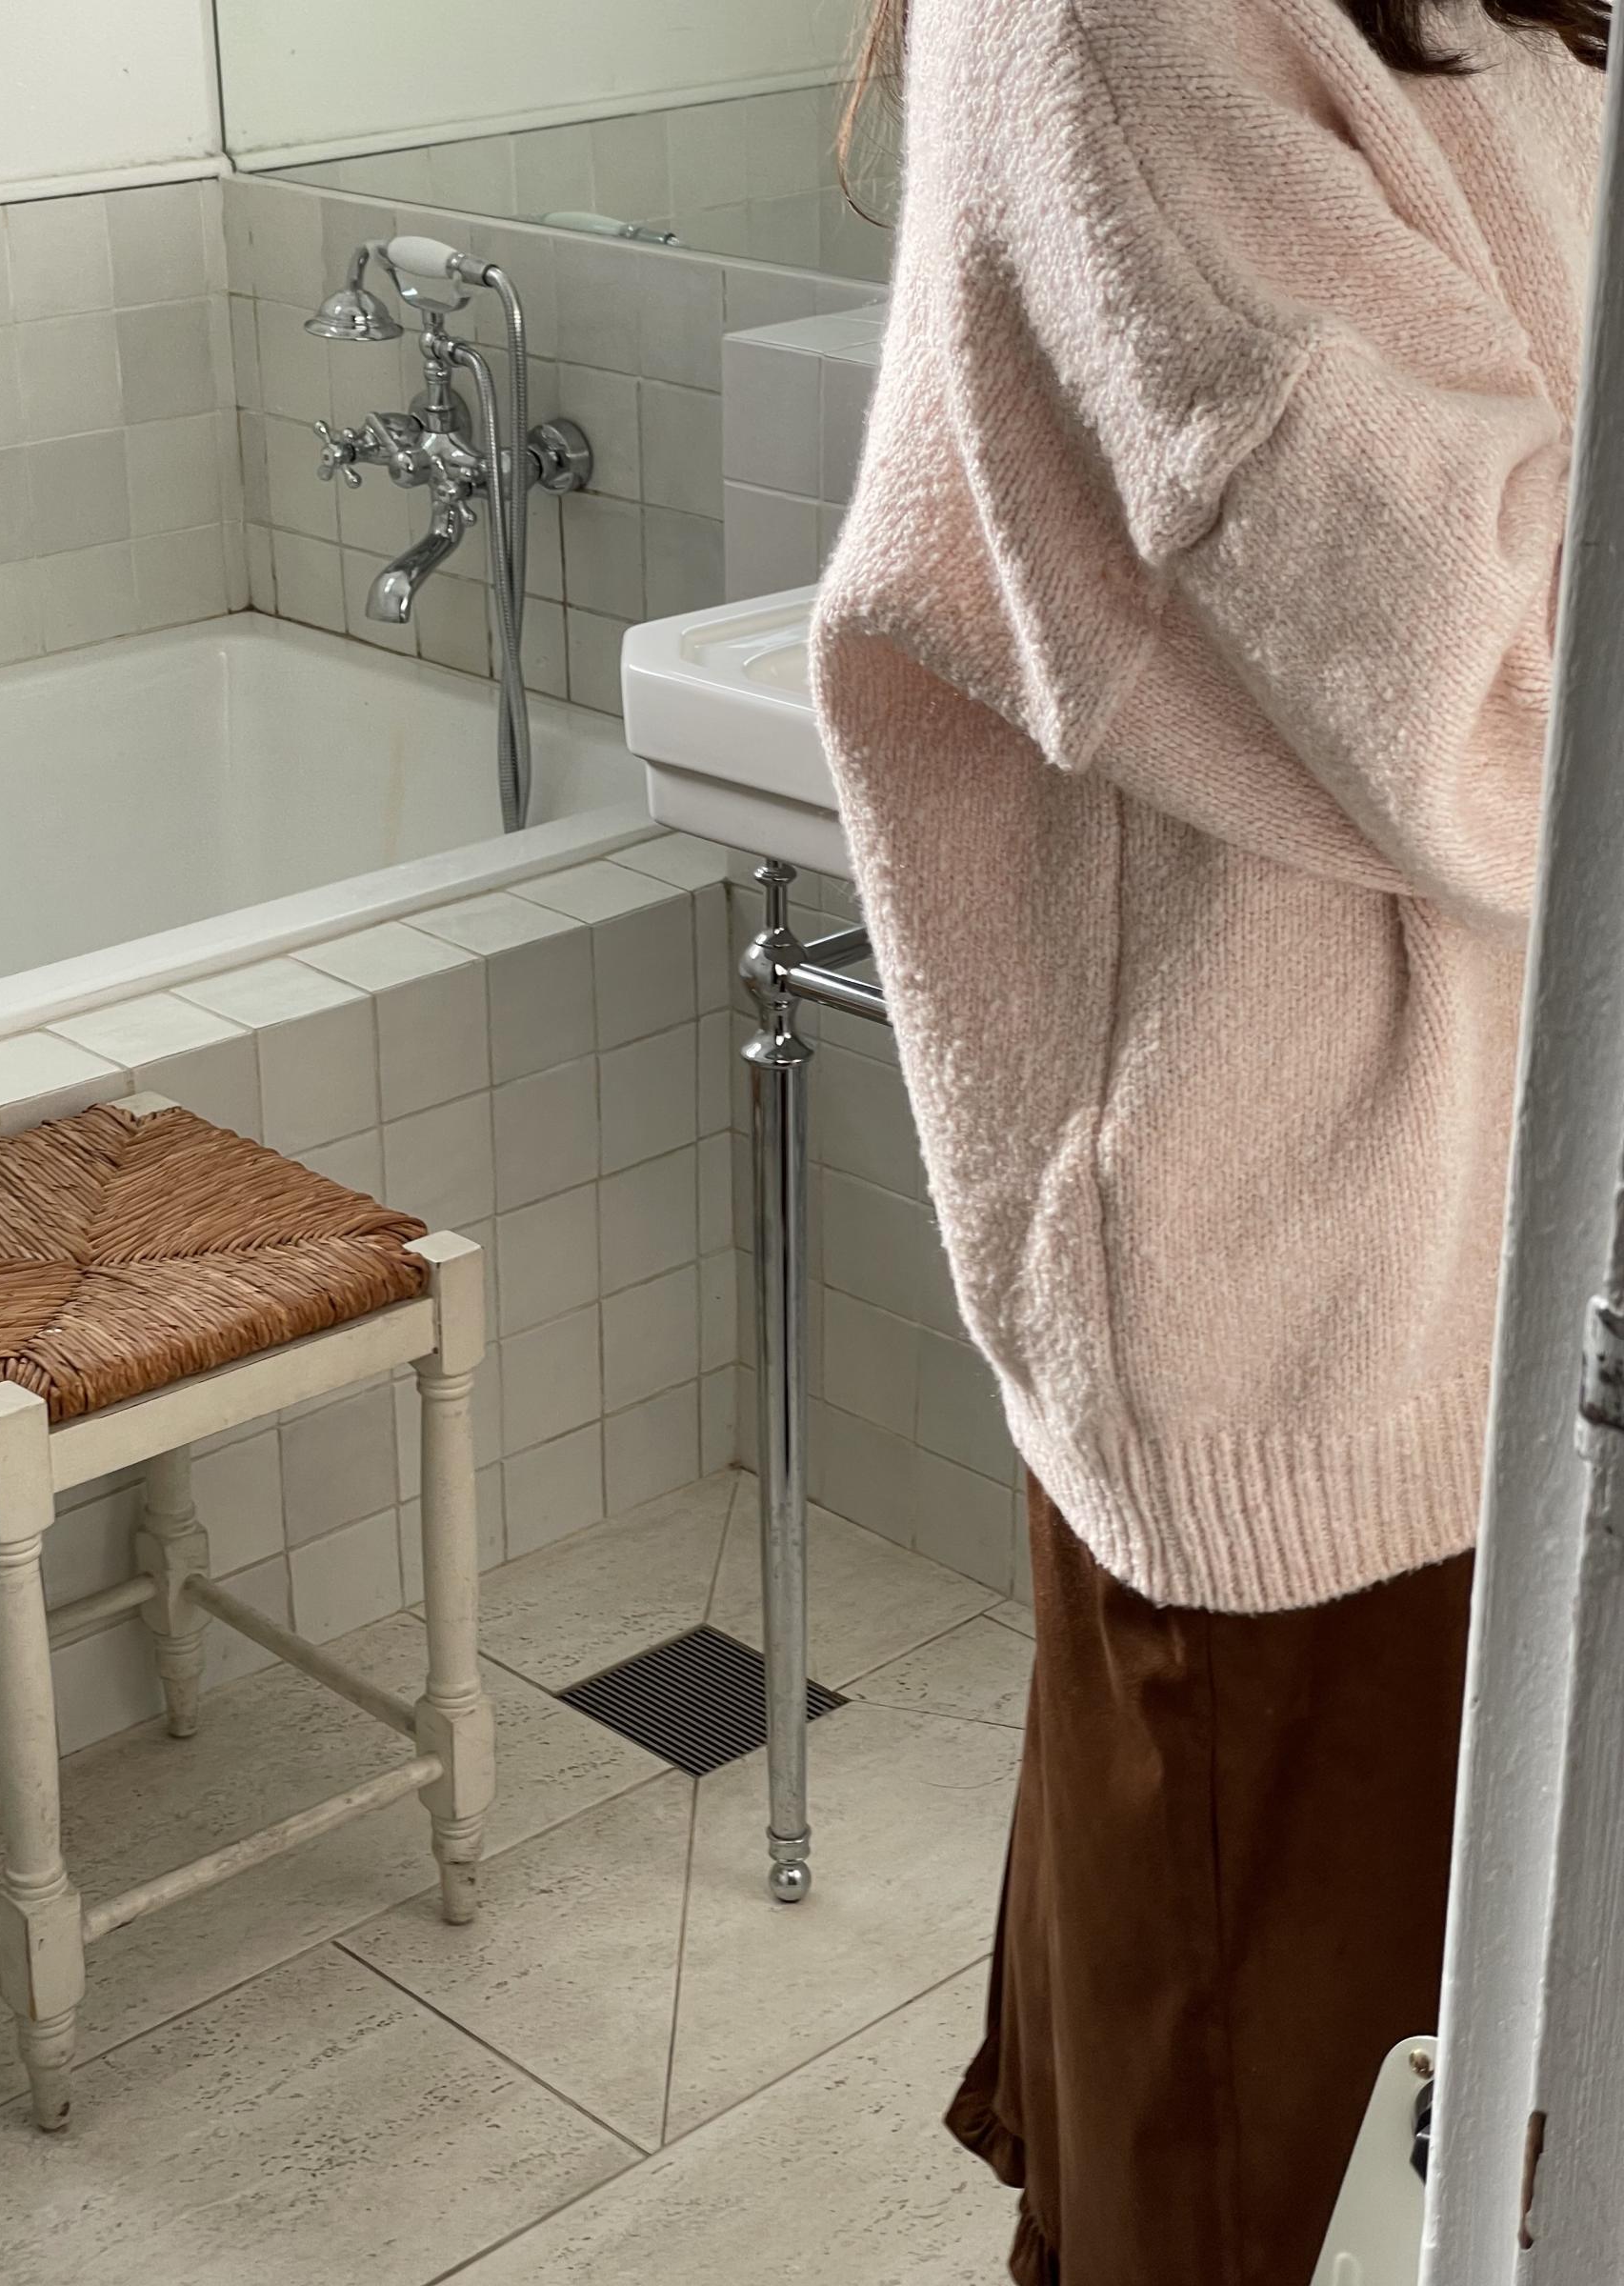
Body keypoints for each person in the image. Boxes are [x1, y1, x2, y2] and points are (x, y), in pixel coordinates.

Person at [811, 0, 1605, 2276]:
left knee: (1444, 2122)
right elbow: (1477, 667)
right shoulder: (1114, 21)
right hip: (1311, 1324)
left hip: (1483, 1274)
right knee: (1253, 2184)